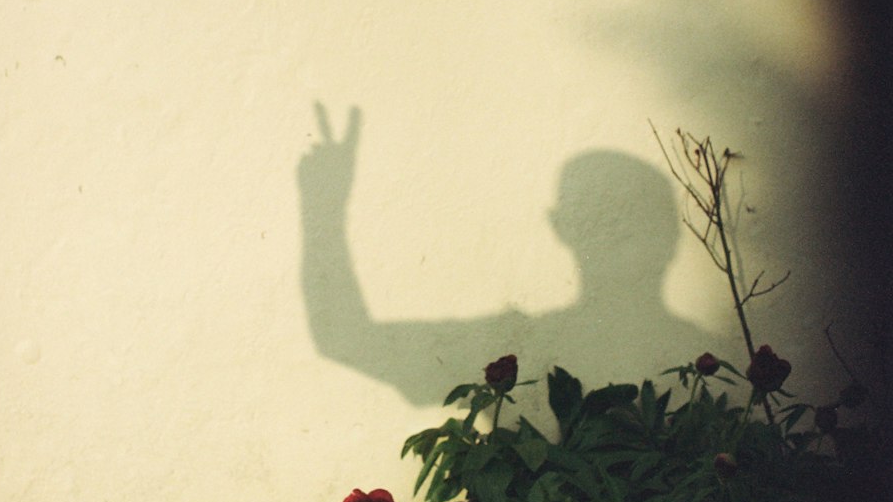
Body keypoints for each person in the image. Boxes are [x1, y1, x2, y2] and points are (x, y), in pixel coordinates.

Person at [298, 104, 731, 407]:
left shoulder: (713, 360)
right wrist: (323, 216)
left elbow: (349, 340)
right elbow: (349, 340)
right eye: (611, 219)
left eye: (634, 217)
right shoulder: (714, 357)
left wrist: (324, 214)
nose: (624, 237)